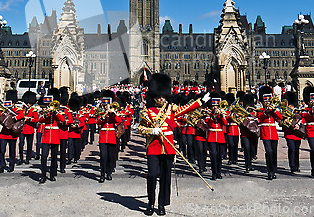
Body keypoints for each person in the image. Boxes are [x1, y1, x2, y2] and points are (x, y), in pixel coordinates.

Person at [138, 73, 210, 216]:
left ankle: (161, 204)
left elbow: (186, 108)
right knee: (152, 175)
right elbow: (140, 129)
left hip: (168, 147)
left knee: (166, 176)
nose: (161, 99)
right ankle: (150, 202)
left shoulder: (171, 109)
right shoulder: (147, 112)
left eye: (163, 96)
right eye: (159, 96)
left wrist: (201, 101)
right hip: (153, 146)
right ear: (154, 96)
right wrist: (151, 130)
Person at [257, 86, 282, 180]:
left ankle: (274, 169)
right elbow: (260, 118)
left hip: (273, 133)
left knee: (274, 152)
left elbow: (279, 118)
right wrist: (266, 112)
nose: (267, 102)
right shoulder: (260, 110)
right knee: (269, 151)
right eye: (265, 101)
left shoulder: (273, 109)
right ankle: (269, 171)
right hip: (265, 133)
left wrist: (274, 110)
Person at [97, 91, 123, 183]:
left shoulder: (114, 113)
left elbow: (119, 121)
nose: (106, 106)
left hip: (112, 137)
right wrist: (104, 114)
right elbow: (99, 122)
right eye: (105, 105)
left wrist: (113, 113)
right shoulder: (101, 112)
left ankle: (109, 173)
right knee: (103, 156)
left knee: (110, 156)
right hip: (103, 137)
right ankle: (102, 174)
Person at [206, 94, 227, 180]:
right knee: (213, 154)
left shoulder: (221, 113)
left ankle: (219, 172)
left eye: (217, 106)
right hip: (212, 136)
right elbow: (208, 123)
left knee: (219, 155)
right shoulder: (208, 114)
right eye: (214, 106)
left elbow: (224, 123)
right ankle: (214, 172)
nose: (215, 107)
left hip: (220, 136)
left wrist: (220, 115)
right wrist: (213, 116)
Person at [282, 91, 303, 174]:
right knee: (292, 149)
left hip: (297, 133)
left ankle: (297, 165)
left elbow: (302, 118)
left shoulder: (297, 111)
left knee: (296, 149)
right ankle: (292, 166)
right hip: (289, 133)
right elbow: (280, 121)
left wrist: (298, 124)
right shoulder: (284, 112)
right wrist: (284, 121)